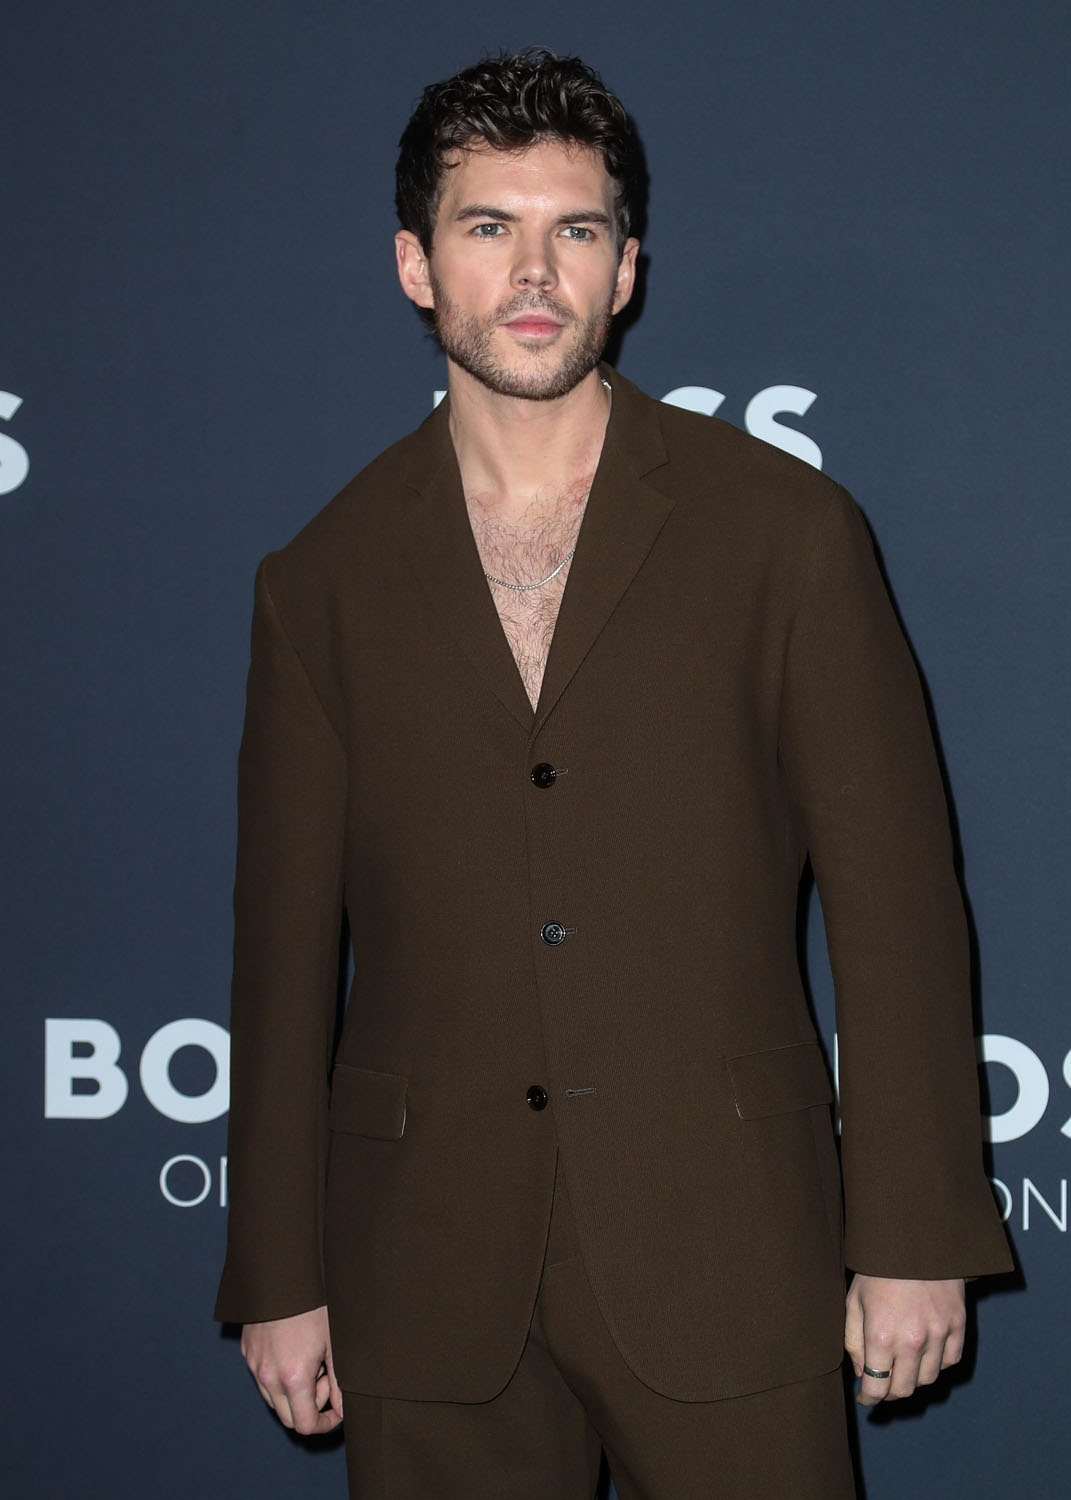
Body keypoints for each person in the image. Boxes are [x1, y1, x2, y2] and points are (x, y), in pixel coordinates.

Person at [215, 47, 1012, 1500]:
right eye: (488, 226)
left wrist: (914, 1236)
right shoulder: (319, 581)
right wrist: (278, 1272)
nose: (535, 273)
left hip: (728, 1244)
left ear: (626, 268)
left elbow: (898, 907)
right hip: (422, 1265)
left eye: (574, 230)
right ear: (414, 265)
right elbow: (280, 960)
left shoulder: (786, 534)